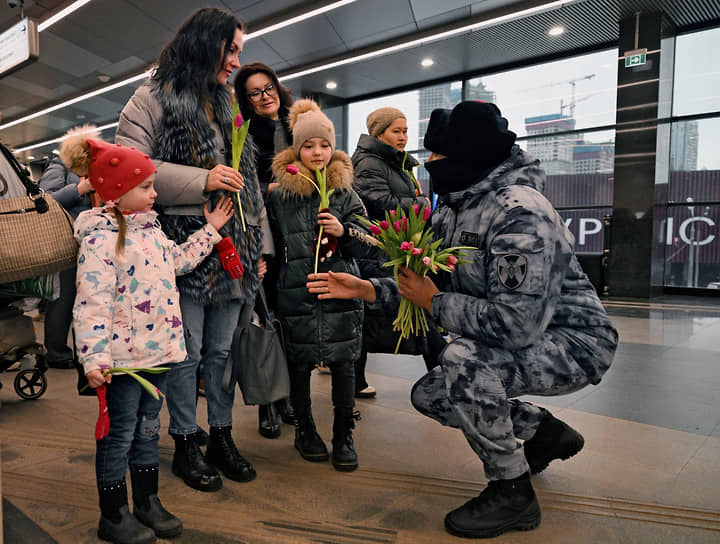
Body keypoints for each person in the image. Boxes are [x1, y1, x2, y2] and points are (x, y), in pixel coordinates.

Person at [306, 101, 618, 538]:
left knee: (462, 359)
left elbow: (516, 325)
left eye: (438, 155)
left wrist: (436, 303)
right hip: (528, 335)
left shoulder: (519, 213)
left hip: (574, 343)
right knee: (433, 394)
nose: (430, 163)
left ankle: (512, 491)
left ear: (469, 156)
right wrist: (369, 288)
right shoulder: (457, 206)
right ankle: (544, 433)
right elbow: (425, 274)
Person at [115, 7, 271, 492]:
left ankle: (220, 435)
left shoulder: (228, 104)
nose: (236, 62)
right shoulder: (151, 98)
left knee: (221, 353)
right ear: (207, 44)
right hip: (180, 248)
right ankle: (185, 440)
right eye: (232, 50)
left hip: (234, 252)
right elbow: (130, 169)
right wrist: (202, 180)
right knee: (186, 353)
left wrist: (261, 245)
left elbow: (251, 184)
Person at [62, 128, 235, 544]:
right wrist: (93, 359)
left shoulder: (151, 231)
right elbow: (91, 303)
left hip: (157, 354)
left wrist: (210, 231)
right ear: (116, 192)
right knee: (118, 434)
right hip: (120, 362)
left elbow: (176, 262)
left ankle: (147, 502)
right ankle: (114, 514)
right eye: (145, 186)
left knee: (146, 431)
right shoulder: (101, 241)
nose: (155, 193)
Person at [268, 99, 368, 472]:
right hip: (297, 291)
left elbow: (368, 238)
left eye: (323, 145)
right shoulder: (281, 195)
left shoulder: (345, 193)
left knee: (344, 365)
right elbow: (271, 243)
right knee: (300, 365)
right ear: (296, 149)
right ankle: (305, 429)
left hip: (341, 289)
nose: (316, 152)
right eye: (308, 146)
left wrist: (345, 232)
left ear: (333, 147)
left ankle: (344, 432)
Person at [351, 107, 438, 398]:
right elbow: (381, 204)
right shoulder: (368, 163)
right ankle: (445, 379)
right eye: (396, 131)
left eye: (405, 131)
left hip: (392, 250)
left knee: (370, 318)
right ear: (379, 133)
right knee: (368, 318)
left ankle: (356, 381)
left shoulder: (396, 163)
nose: (402, 137)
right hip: (375, 252)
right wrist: (421, 204)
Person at [234, 62, 296, 439]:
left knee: (290, 318)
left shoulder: (298, 124)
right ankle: (268, 404)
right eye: (254, 92)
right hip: (266, 235)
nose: (264, 96)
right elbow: (243, 185)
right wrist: (268, 188)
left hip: (300, 234)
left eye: (268, 87)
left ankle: (289, 396)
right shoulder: (244, 135)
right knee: (266, 315)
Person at [37, 157, 94, 369]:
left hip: (94, 244)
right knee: (63, 299)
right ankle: (56, 353)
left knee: (91, 300)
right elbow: (45, 200)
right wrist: (79, 189)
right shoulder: (60, 165)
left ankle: (85, 353)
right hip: (66, 243)